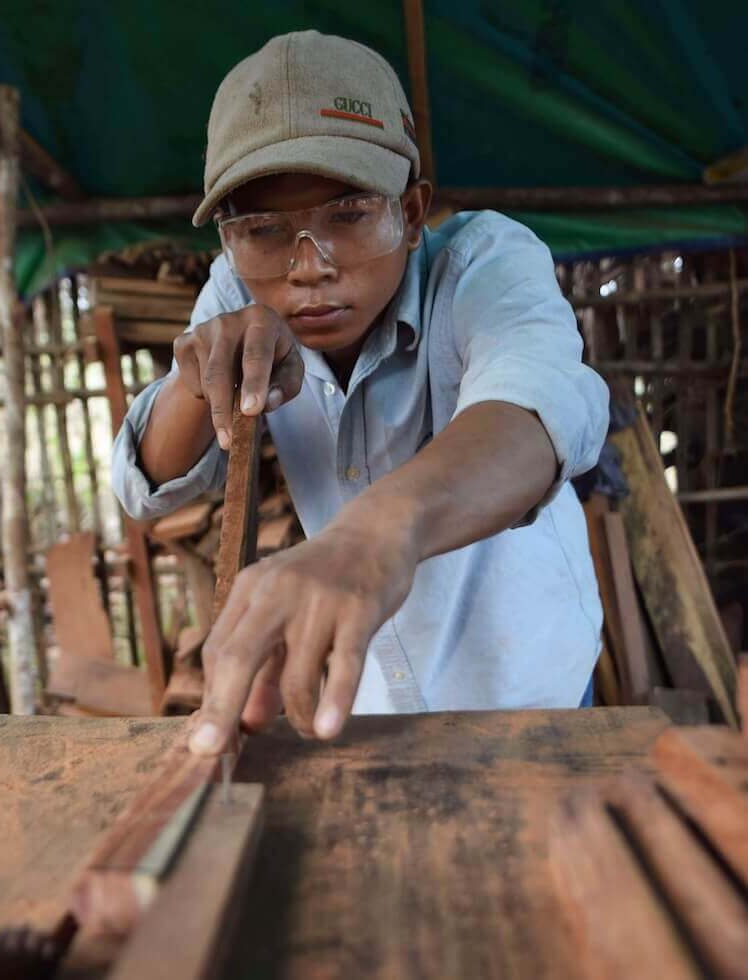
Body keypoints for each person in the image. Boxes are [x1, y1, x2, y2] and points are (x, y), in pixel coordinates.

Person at [111, 30, 608, 757]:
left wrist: (375, 533)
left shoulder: (483, 265)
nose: (307, 268)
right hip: (368, 707)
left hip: (528, 692)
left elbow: (536, 411)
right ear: (226, 240)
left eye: (347, 216)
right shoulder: (234, 297)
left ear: (410, 213)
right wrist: (196, 380)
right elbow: (147, 490)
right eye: (262, 230)